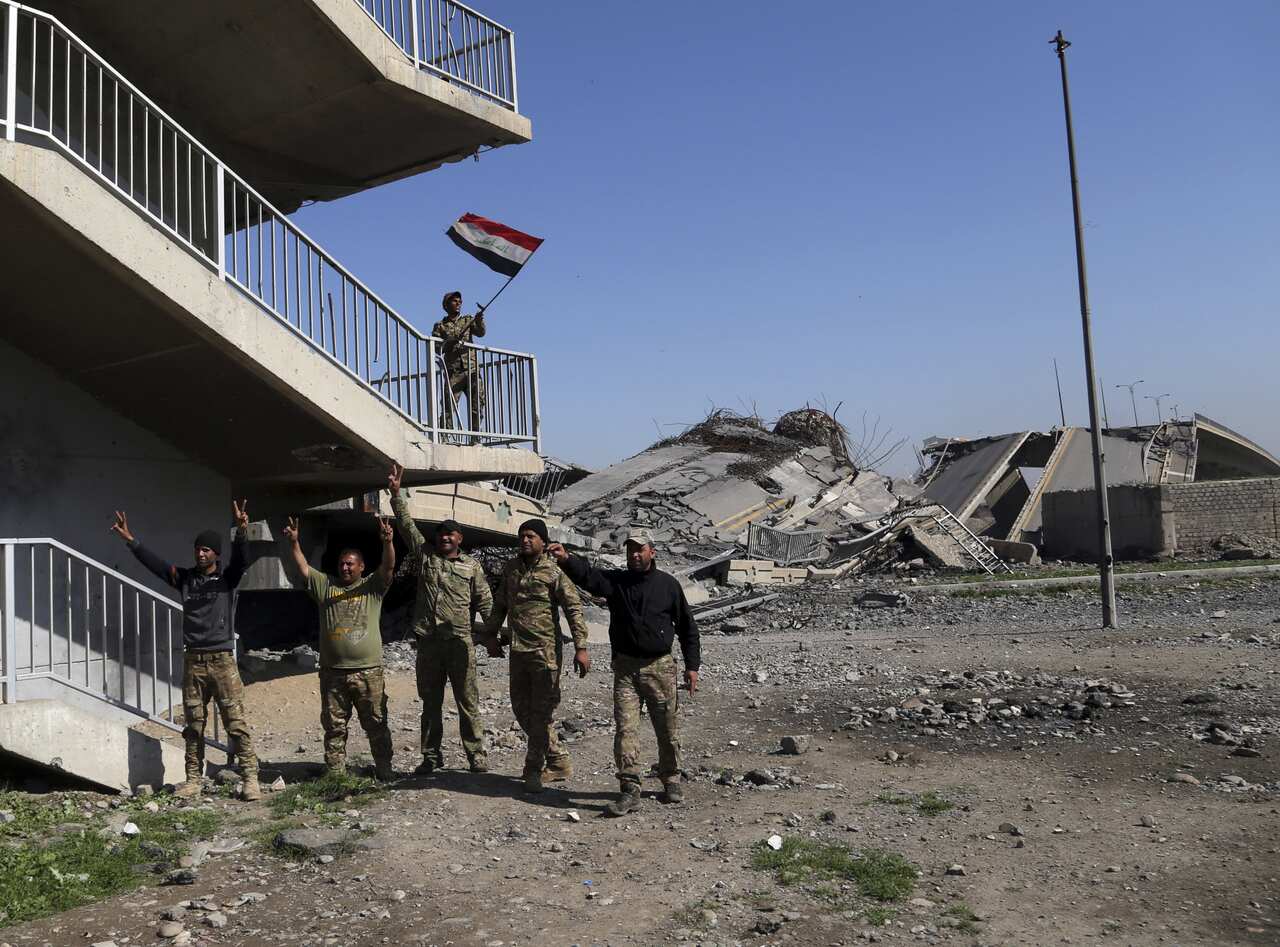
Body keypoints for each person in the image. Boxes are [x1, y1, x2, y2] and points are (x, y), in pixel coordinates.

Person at [111, 502, 260, 801]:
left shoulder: (227, 580)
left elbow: (242, 560)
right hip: (194, 660)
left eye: (206, 550)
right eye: (198, 549)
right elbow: (156, 565)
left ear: (216, 554)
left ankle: (250, 778)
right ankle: (193, 780)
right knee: (193, 725)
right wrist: (132, 541)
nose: (201, 553)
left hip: (222, 661)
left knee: (236, 723)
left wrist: (242, 532)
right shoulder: (186, 579)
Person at [547, 528, 700, 817]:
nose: (634, 554)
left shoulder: (668, 585)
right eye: (630, 549)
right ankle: (630, 789)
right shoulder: (617, 582)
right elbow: (590, 577)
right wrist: (567, 559)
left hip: (661, 668)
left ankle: (671, 778)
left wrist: (692, 666)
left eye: (640, 549)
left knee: (667, 729)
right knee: (626, 730)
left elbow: (688, 628)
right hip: (626, 669)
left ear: (652, 552)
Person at [387, 462, 494, 774]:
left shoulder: (471, 567)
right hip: (430, 643)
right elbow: (407, 528)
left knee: (468, 702)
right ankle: (431, 758)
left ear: (460, 538)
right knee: (430, 705)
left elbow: (485, 602)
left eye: (451, 534)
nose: (445, 538)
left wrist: (494, 635)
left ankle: (476, 756)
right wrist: (396, 495)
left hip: (461, 643)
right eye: (441, 534)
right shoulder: (426, 558)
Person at [479, 518, 590, 793]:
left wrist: (581, 647)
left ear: (542, 541)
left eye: (531, 536)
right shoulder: (512, 568)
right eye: (522, 536)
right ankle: (559, 759)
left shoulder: (553, 571)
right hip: (518, 651)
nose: (525, 540)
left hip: (546, 654)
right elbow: (500, 603)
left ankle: (533, 769)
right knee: (521, 709)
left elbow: (573, 608)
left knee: (540, 714)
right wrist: (490, 636)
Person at [282, 515, 396, 781]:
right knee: (334, 727)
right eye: (342, 564)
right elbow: (304, 570)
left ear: (361, 567)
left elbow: (388, 567)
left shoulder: (372, 587)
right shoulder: (326, 587)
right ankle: (335, 774)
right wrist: (295, 543)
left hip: (368, 672)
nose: (345, 568)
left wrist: (388, 542)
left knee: (377, 725)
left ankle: (385, 770)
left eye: (350, 564)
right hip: (333, 673)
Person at [431, 290, 487, 431]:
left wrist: (479, 319)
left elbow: (481, 333)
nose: (458, 303)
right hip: (453, 372)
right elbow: (436, 348)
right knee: (449, 406)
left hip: (472, 369)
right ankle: (445, 435)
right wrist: (450, 341)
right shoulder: (440, 325)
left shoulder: (468, 320)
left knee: (476, 405)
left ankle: (476, 437)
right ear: (446, 304)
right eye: (454, 301)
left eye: (460, 301)